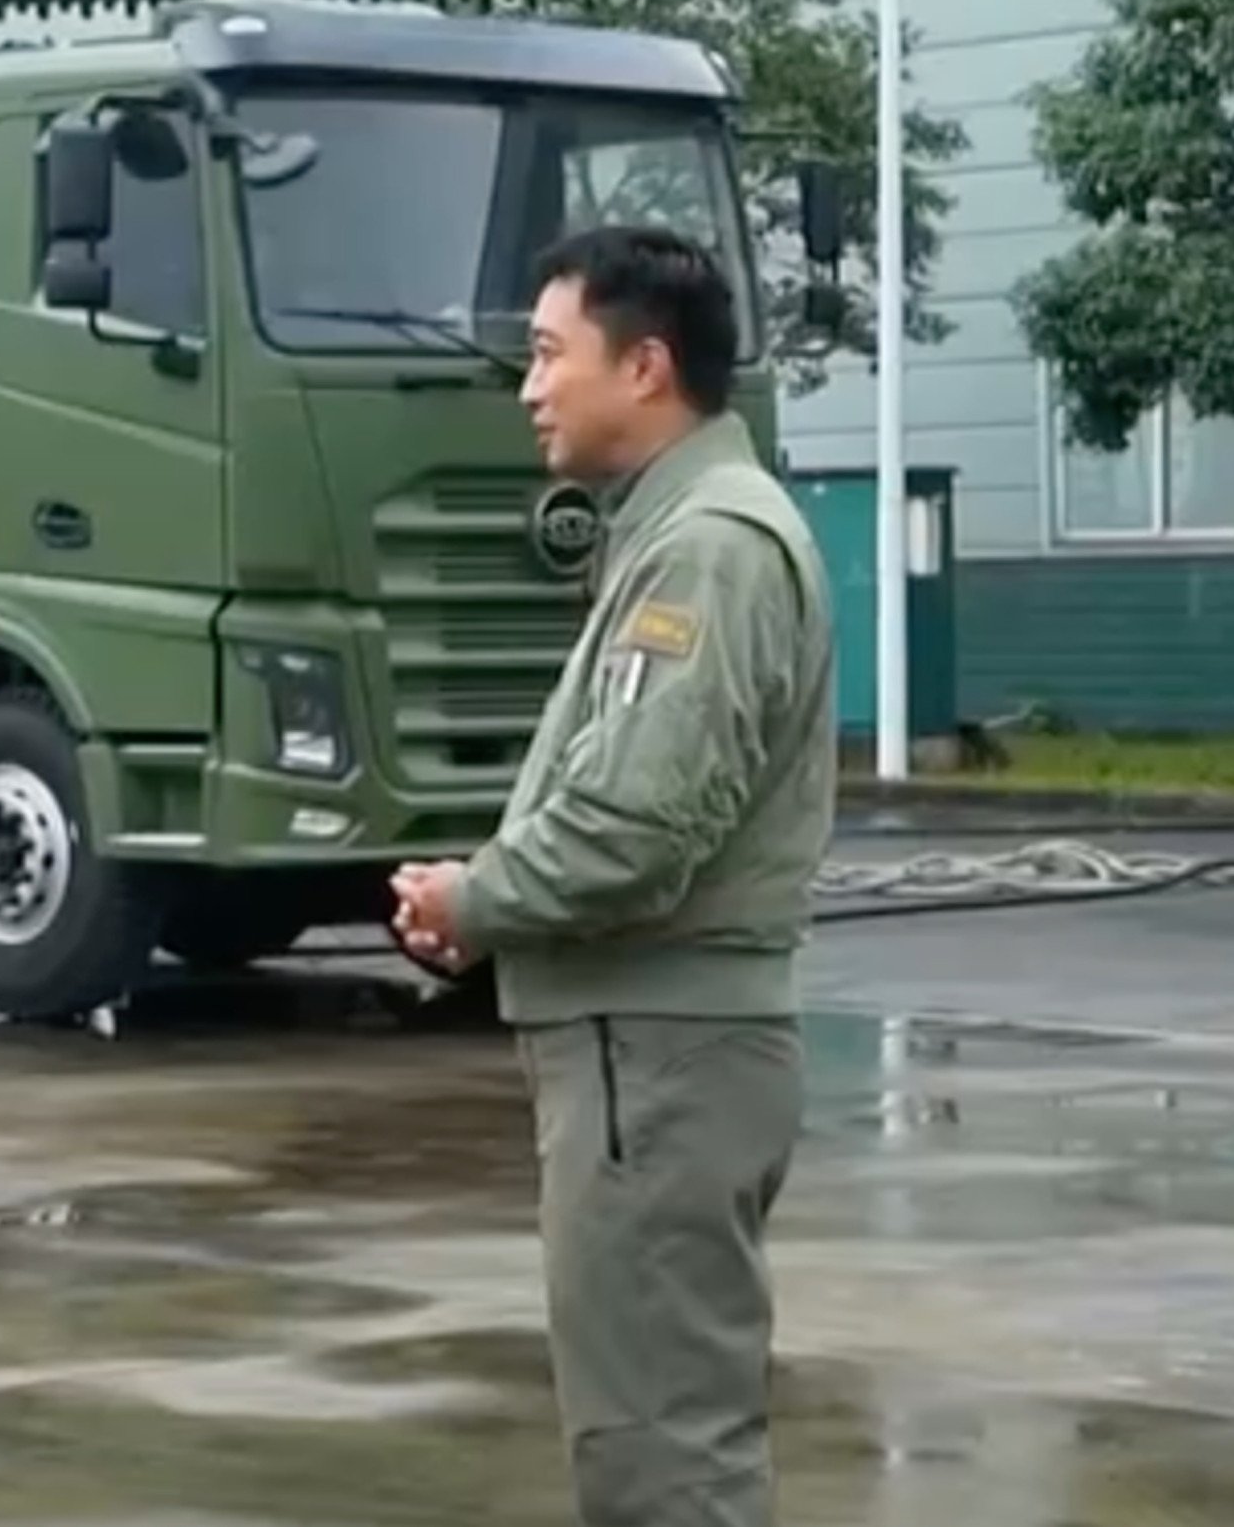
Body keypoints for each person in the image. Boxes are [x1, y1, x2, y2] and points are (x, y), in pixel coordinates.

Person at [391, 223, 836, 1527]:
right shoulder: (685, 526)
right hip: (653, 1053)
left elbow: (635, 822)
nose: (526, 386)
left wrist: (472, 897)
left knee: (662, 1455)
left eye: (545, 352)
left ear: (642, 367)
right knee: (652, 1432)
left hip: (659, 1055)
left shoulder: (707, 544)